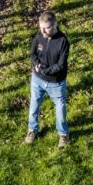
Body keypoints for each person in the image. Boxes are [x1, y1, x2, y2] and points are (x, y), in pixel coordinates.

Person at [25, 10, 70, 148]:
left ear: (55, 25)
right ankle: (32, 130)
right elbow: (33, 53)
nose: (43, 31)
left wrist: (46, 71)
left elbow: (61, 65)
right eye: (41, 27)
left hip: (56, 83)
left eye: (46, 28)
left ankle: (63, 134)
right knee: (34, 105)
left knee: (60, 109)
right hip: (37, 80)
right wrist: (36, 64)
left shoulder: (63, 41)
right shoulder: (39, 36)